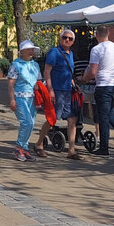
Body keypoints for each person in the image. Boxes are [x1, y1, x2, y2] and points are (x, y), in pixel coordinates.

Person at [84, 25, 114, 156]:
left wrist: (84, 78)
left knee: (103, 117)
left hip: (103, 85)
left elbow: (93, 71)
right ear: (109, 33)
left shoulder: (96, 49)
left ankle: (107, 146)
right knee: (109, 114)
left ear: (96, 35)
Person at [34, 28, 80, 160]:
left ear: (73, 42)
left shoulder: (70, 54)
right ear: (60, 39)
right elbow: (47, 71)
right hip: (57, 90)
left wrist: (74, 85)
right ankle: (39, 144)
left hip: (67, 91)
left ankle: (71, 150)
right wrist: (50, 90)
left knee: (72, 120)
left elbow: (68, 72)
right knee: (52, 119)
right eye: (65, 37)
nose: (67, 40)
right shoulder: (54, 52)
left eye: (70, 39)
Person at [7, 40, 41, 162]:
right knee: (26, 122)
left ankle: (25, 148)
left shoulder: (35, 65)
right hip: (20, 97)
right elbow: (11, 83)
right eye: (29, 49)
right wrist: (12, 100)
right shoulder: (16, 65)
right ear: (22, 52)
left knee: (31, 123)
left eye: (32, 49)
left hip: (31, 98)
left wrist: (39, 86)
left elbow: (39, 81)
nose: (31, 51)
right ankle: (19, 147)